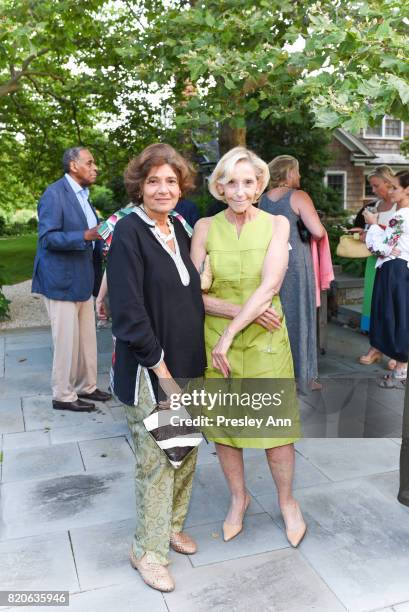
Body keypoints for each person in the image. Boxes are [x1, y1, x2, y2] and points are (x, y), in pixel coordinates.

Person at [191, 147, 306, 547]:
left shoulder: (277, 224)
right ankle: (238, 500)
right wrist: (243, 313)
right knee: (226, 431)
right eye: (230, 182)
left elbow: (270, 285)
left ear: (260, 185)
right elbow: (190, 294)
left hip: (264, 341)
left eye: (248, 182)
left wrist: (231, 331)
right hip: (218, 340)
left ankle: (288, 502)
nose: (239, 190)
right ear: (219, 186)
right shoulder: (204, 227)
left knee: (276, 432)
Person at [107, 143, 206, 593]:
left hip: (188, 360)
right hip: (152, 370)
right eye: (153, 181)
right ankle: (146, 552)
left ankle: (170, 527)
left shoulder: (181, 227)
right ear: (139, 187)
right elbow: (128, 311)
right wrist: (162, 371)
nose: (163, 189)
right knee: (157, 463)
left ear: (181, 185)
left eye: (171, 180)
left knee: (184, 455)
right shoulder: (129, 232)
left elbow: (188, 293)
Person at [31, 147, 111, 412]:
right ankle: (63, 395)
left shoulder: (84, 197)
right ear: (73, 165)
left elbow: (94, 237)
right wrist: (85, 236)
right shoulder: (54, 194)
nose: (95, 167)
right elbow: (48, 238)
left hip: (83, 280)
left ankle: (86, 387)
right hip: (60, 281)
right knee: (66, 342)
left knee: (87, 341)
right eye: (90, 162)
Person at [259, 155, 325, 387]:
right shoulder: (298, 196)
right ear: (288, 173)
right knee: (301, 315)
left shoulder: (263, 200)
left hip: (269, 261)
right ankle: (304, 377)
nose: (299, 176)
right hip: (296, 263)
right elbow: (317, 231)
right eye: (296, 171)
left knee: (276, 314)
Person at [364, 171, 409, 389]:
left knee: (394, 317)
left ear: (407, 190)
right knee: (402, 316)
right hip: (403, 268)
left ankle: (400, 371)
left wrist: (372, 224)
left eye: (394, 188)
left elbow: (380, 247)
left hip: (394, 270)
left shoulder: (400, 217)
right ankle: (401, 368)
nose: (390, 192)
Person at [355, 166, 397, 366]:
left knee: (394, 306)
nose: (372, 189)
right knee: (374, 304)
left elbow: (398, 237)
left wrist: (375, 227)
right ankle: (376, 347)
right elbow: (371, 236)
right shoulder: (376, 206)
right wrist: (363, 233)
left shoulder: (401, 208)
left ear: (389, 184)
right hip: (374, 262)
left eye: (375, 185)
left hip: (395, 263)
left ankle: (396, 351)